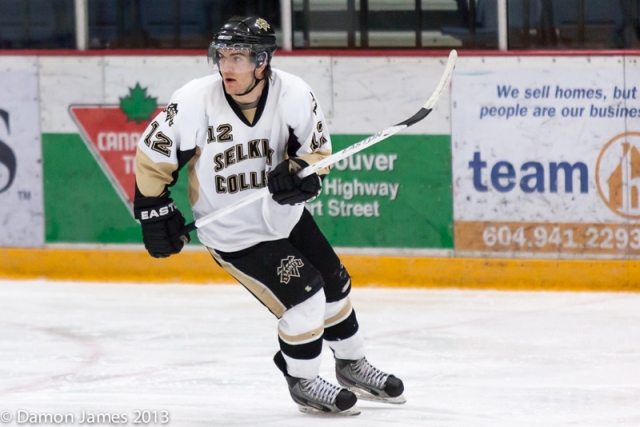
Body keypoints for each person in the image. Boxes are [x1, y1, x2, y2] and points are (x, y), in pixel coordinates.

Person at [133, 15, 405, 416]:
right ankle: (303, 380)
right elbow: (153, 157)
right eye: (222, 55)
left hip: (285, 216)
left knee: (336, 285)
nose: (226, 66)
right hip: (232, 233)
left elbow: (317, 154)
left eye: (238, 57)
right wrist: (154, 212)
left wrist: (302, 174)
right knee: (306, 298)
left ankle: (351, 365)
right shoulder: (194, 99)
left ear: (262, 61)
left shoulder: (293, 92)